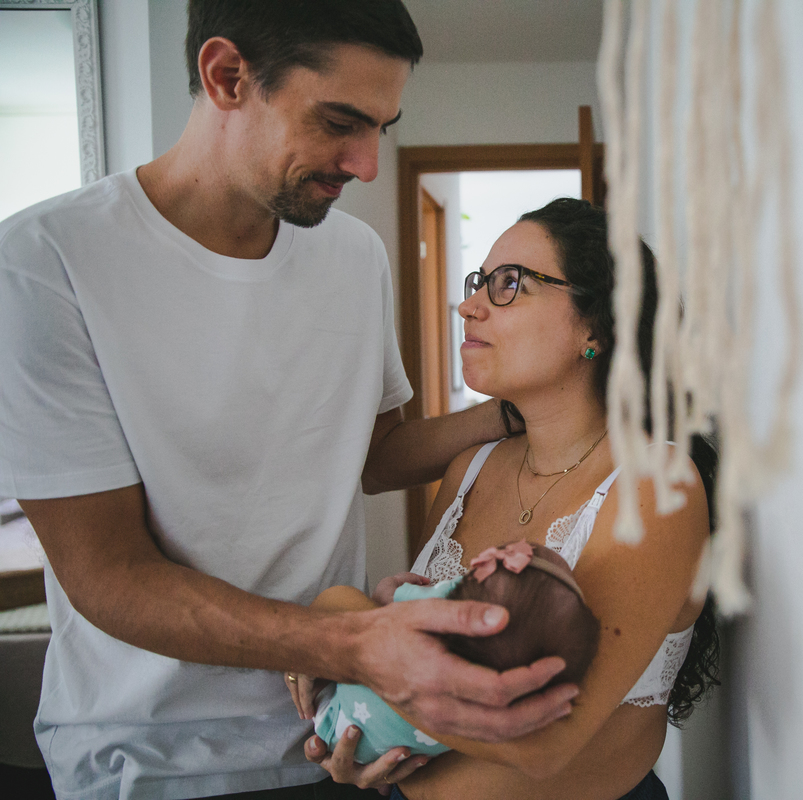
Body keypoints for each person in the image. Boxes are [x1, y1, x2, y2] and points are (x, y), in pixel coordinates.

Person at [0, 2, 575, 798]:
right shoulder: (44, 263)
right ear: (227, 76)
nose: (367, 164)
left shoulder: (355, 256)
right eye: (340, 122)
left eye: (381, 128)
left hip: (336, 734)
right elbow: (110, 575)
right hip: (147, 757)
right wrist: (357, 645)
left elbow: (374, 455)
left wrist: (509, 413)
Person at [303, 198, 722, 799]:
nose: (469, 306)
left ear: (596, 326)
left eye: (509, 284)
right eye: (479, 282)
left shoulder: (655, 487)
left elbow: (543, 744)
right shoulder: (469, 471)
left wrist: (340, 636)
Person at [307, 540, 601, 764]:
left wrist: (391, 588)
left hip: (338, 715)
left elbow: (388, 598)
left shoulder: (448, 604)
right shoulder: (511, 702)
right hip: (377, 752)